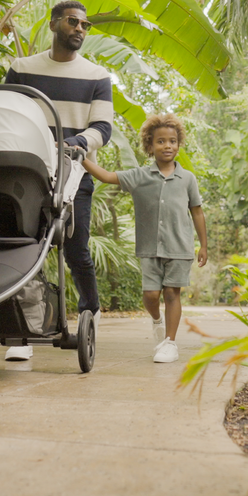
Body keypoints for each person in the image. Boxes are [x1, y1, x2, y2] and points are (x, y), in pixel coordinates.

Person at [1, 0, 111, 361]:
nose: (80, 29)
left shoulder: (96, 76)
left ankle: (89, 311)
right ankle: (22, 330)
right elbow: (8, 112)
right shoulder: (22, 68)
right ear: (53, 25)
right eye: (72, 22)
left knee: (76, 247)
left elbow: (102, 127)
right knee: (23, 243)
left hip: (74, 171)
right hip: (27, 170)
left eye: (85, 25)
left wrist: (78, 142)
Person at [81, 114, 208, 363]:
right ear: (150, 146)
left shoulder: (188, 179)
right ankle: (157, 320)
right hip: (149, 247)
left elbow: (197, 211)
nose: (168, 146)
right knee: (151, 295)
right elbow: (106, 176)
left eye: (172, 141)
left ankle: (170, 343)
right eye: (161, 141)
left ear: (179, 144)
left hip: (179, 246)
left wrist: (203, 244)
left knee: (172, 293)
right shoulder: (139, 176)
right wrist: (81, 158)